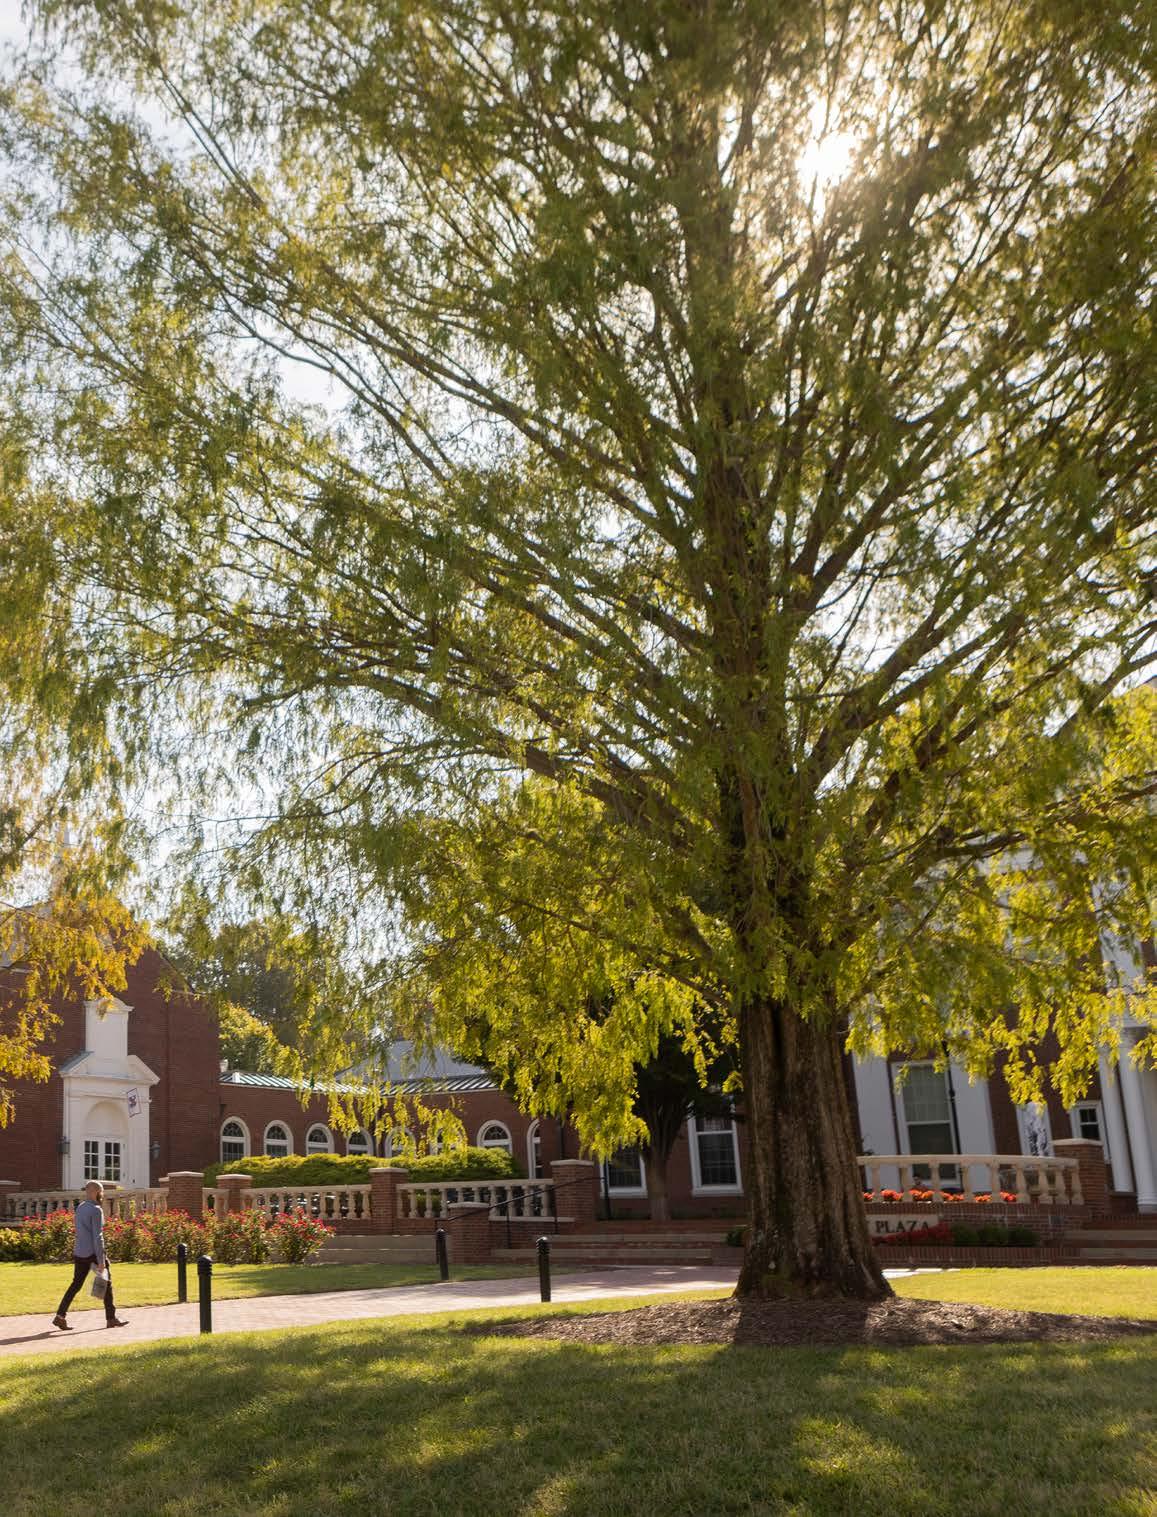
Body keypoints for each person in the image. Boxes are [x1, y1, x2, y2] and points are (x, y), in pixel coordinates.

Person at [52, 1180, 128, 1330]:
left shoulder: (80, 1207)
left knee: (75, 1285)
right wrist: (101, 1260)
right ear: (95, 1192)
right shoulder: (96, 1209)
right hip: (93, 1253)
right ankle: (111, 1318)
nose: (102, 1194)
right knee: (106, 1283)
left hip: (79, 1252)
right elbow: (98, 1236)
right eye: (101, 1191)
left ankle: (60, 1316)